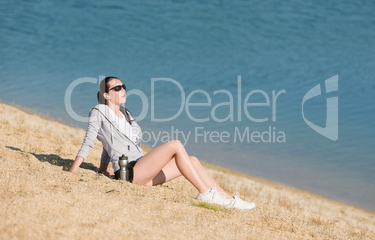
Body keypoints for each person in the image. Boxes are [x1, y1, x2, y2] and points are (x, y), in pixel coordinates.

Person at [62, 76, 255, 210]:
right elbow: (89, 141)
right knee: (175, 146)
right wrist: (73, 171)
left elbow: (107, 145)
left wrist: (103, 170)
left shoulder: (125, 114)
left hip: (142, 169)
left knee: (193, 160)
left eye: (124, 87)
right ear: (106, 95)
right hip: (130, 171)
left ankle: (228, 199)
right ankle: (206, 193)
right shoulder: (98, 111)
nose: (123, 90)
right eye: (117, 88)